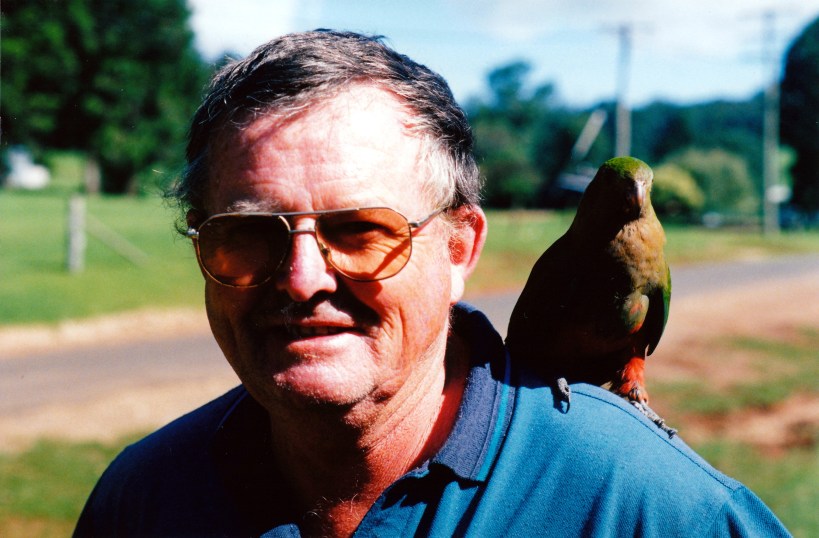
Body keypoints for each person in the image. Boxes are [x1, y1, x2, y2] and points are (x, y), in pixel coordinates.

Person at [74, 30, 790, 537]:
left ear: (458, 249)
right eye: (248, 232)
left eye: (360, 230)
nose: (301, 279)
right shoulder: (143, 500)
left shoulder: (652, 509)